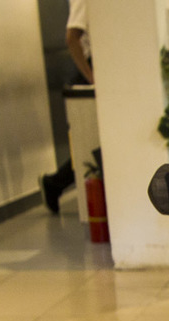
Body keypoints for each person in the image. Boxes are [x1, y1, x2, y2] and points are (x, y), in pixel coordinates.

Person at [40, 0, 93, 214]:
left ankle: (54, 183)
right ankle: (54, 183)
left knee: (88, 144)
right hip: (88, 72)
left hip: (93, 70)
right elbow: (72, 38)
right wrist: (91, 78)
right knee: (87, 145)